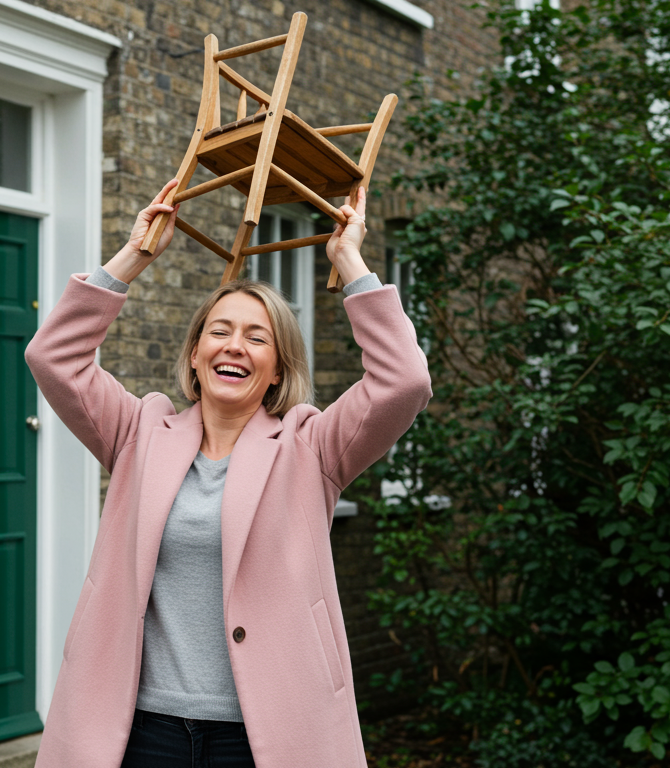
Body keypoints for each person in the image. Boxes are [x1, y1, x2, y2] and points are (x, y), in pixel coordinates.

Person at [25, 180, 432, 767]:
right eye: (219, 331)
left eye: (256, 336)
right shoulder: (139, 431)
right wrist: (133, 257)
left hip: (263, 735)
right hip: (143, 729)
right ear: (195, 353)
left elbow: (404, 383)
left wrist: (351, 262)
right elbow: (53, 357)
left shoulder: (311, 447)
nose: (233, 346)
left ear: (276, 369)